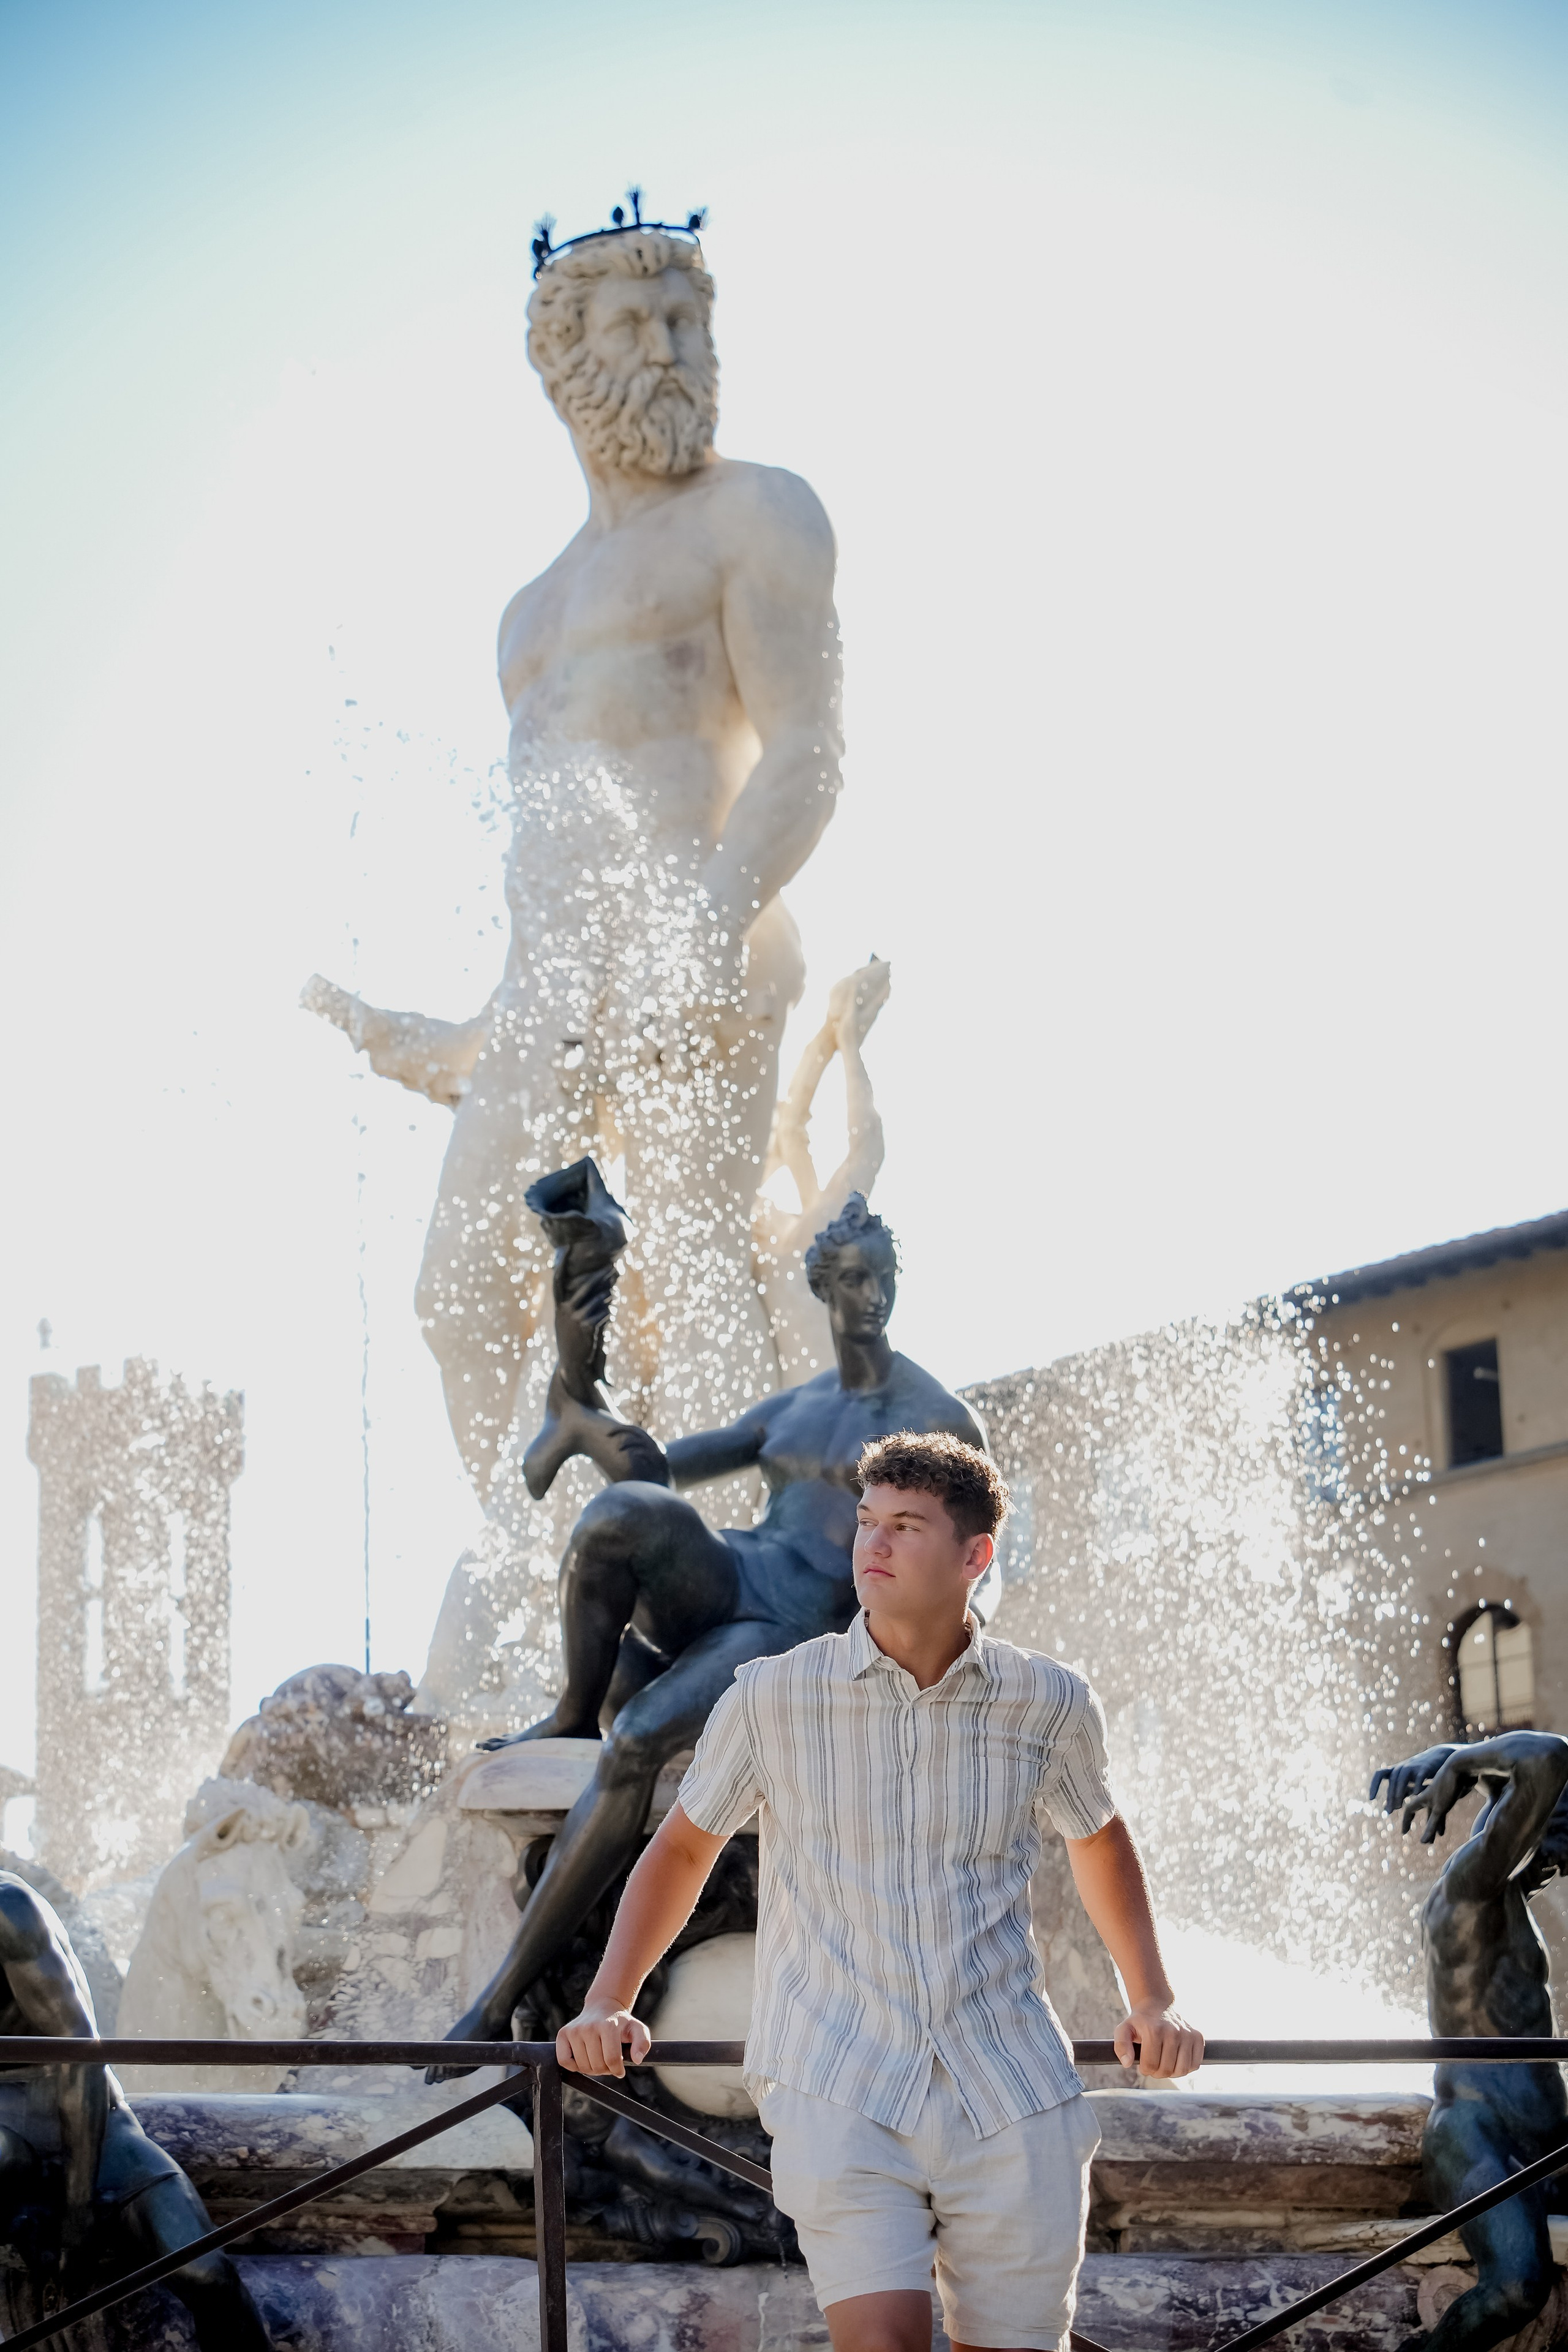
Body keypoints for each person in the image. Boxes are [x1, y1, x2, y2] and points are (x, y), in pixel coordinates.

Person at [304, 211, 843, 1500]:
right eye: (633, 324)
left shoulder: (754, 513)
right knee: (458, 1297)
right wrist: (444, 1040)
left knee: (696, 1263)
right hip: (550, 996)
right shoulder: (526, 617)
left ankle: (745, 1582)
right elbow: (545, 871)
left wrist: (703, 934)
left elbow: (808, 752)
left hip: (701, 934)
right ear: (564, 360)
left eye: (686, 322)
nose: (668, 350)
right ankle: (539, 1578)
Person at [554, 1430, 1204, 2352]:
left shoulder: (1050, 1701)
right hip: (840, 2083)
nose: (874, 1546)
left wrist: (1153, 1998)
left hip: (1010, 2086)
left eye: (906, 1526)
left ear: (974, 1555)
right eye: (867, 1522)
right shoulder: (770, 1697)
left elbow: (1098, 1841)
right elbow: (683, 1849)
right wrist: (608, 2001)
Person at [435, 1197, 990, 2063]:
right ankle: (574, 1710)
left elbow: (968, 1557)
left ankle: (498, 2001)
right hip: (738, 1571)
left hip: (796, 1621)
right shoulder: (794, 1410)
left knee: (644, 1740)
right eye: (850, 1278)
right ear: (822, 1288)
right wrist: (586, 1393)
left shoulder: (937, 1416)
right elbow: (657, 1468)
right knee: (623, 1510)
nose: (869, 1294)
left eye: (881, 1276)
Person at [0, 1871, 271, 2349]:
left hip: (86, 2116)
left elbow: (79, 2054)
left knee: (206, 2271)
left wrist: (79, 2206)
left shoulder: (10, 1910)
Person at [1372, 1732, 1568, 2352]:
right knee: (1516, 2286)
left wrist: (1463, 1758)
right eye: (1556, 1846)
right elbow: (1547, 1760)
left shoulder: (1504, 1896)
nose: (1558, 1865)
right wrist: (1462, 1759)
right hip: (1478, 2132)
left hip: (1547, 2144)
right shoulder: (1469, 1889)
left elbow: (1515, 1790)